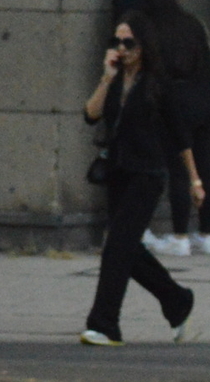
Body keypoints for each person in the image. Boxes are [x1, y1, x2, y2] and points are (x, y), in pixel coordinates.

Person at [80, 18, 200, 345]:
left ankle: (105, 324)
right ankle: (177, 301)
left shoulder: (158, 84)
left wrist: (195, 180)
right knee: (126, 249)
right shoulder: (116, 81)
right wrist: (106, 77)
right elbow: (90, 114)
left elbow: (180, 136)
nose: (121, 49)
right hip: (119, 173)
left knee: (116, 247)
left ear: (143, 46)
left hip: (147, 176)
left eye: (128, 43)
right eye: (116, 42)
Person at [143, 0, 210, 255]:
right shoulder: (194, 23)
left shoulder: (153, 28)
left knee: (179, 169)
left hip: (177, 100)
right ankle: (206, 234)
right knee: (206, 166)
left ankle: (179, 236)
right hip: (207, 97)